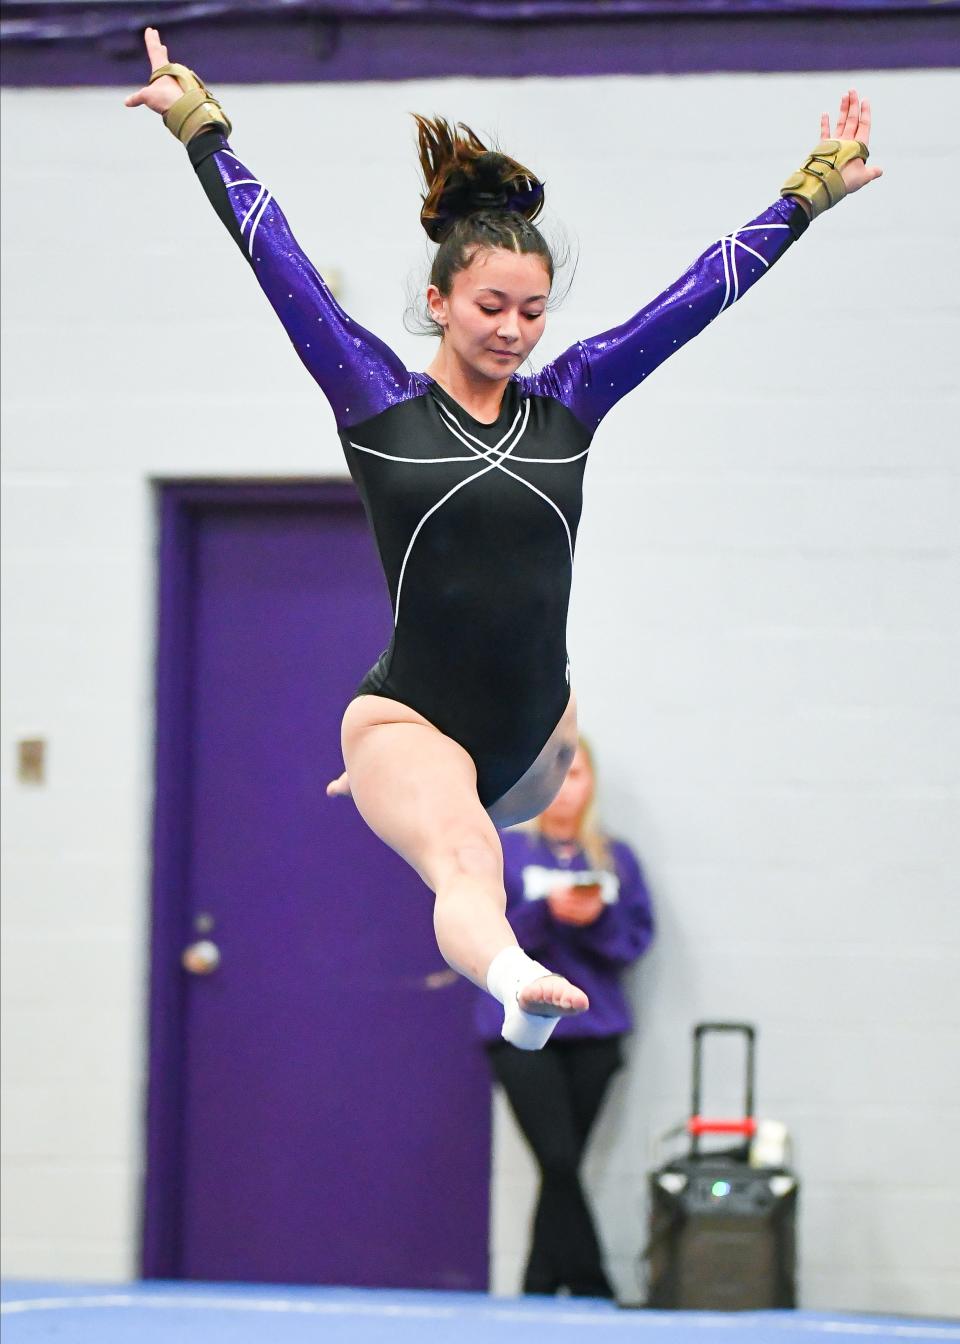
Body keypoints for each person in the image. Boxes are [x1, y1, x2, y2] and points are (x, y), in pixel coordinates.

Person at [126, 31, 881, 1050]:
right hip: (412, 719)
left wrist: (808, 193)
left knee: (481, 812)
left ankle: (403, 813)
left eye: (532, 309)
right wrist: (198, 126)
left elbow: (698, 294)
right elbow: (281, 263)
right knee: (466, 854)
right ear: (438, 301)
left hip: (536, 738)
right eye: (490, 305)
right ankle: (512, 978)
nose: (514, 328)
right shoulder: (379, 405)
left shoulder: (570, 403)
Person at [478, 740, 653, 1297]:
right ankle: (594, 1285)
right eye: (553, 775)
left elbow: (632, 945)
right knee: (557, 1156)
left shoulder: (615, 860)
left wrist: (594, 919)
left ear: (590, 784)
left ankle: (538, 1282)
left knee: (564, 1166)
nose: (564, 788)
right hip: (521, 1032)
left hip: (594, 1031)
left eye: (575, 774)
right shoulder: (503, 852)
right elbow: (484, 938)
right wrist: (545, 915)